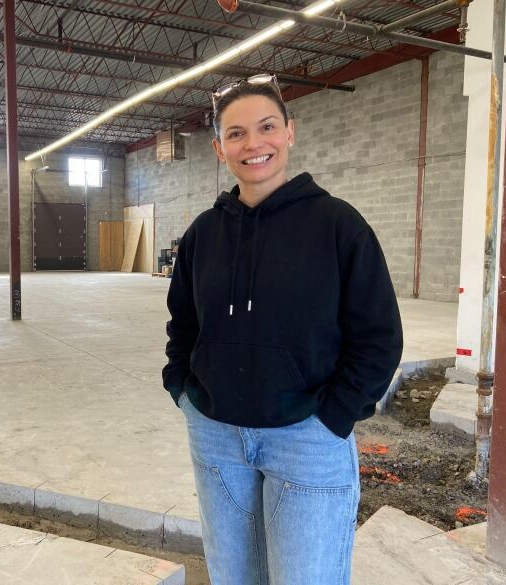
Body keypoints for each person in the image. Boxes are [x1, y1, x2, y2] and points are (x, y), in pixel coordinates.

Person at [162, 74, 403, 585]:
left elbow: (378, 336)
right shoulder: (204, 233)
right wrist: (183, 388)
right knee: (234, 577)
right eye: (236, 133)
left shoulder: (339, 225)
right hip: (216, 436)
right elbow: (183, 323)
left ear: (289, 133)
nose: (254, 144)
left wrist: (334, 415)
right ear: (218, 147)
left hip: (307, 438)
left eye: (266, 127)